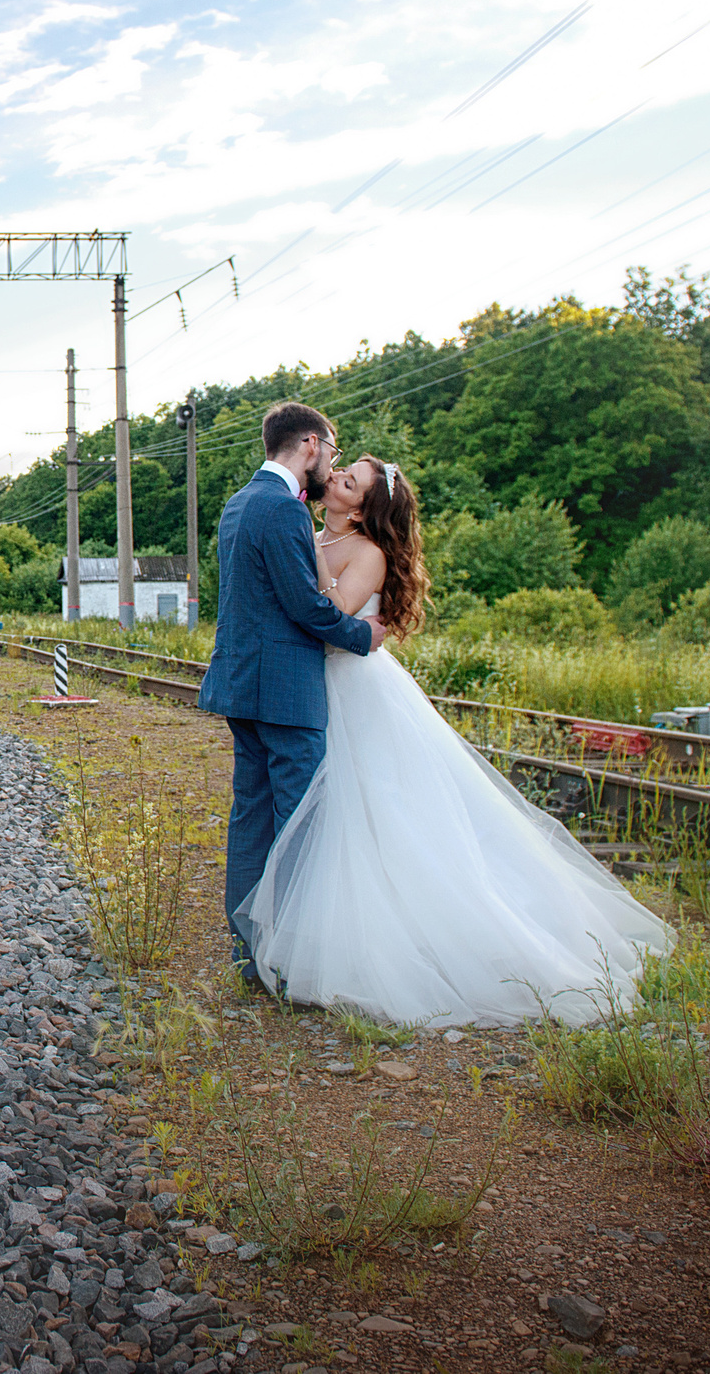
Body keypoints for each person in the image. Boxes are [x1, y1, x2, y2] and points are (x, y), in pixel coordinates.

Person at [232, 455, 673, 1026]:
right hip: (311, 689)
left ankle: (352, 949)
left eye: (349, 480)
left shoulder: (367, 554)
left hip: (352, 691)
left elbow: (329, 615)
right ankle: (296, 947)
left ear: (364, 508)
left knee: (369, 818)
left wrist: (298, 572)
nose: (335, 480)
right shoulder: (307, 532)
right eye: (341, 473)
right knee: (328, 819)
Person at [197, 401, 384, 987]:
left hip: (244, 689)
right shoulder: (281, 510)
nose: (331, 462)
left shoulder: (240, 503)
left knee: (251, 818)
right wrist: (362, 636)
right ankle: (292, 963)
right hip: (286, 693)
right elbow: (304, 607)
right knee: (299, 824)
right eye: (331, 449)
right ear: (310, 442)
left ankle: (252, 953)